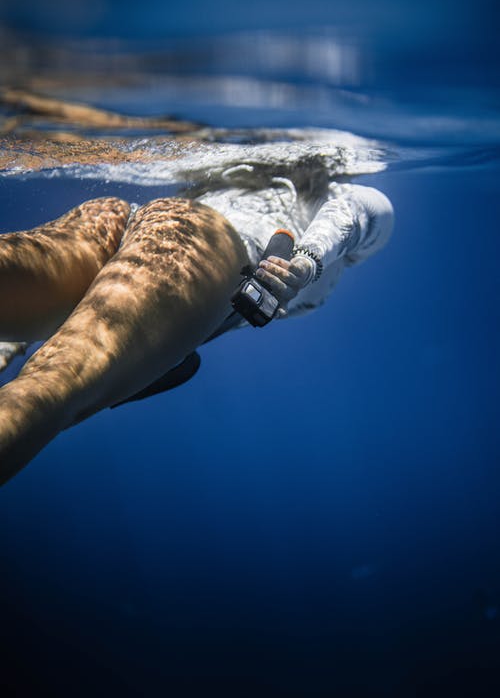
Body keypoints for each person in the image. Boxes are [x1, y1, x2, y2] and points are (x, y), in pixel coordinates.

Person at [0, 96, 394, 485]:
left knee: (48, 379)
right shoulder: (339, 211)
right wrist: (305, 264)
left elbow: (356, 214)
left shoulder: (310, 191)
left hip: (123, 219)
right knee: (52, 389)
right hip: (195, 243)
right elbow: (360, 211)